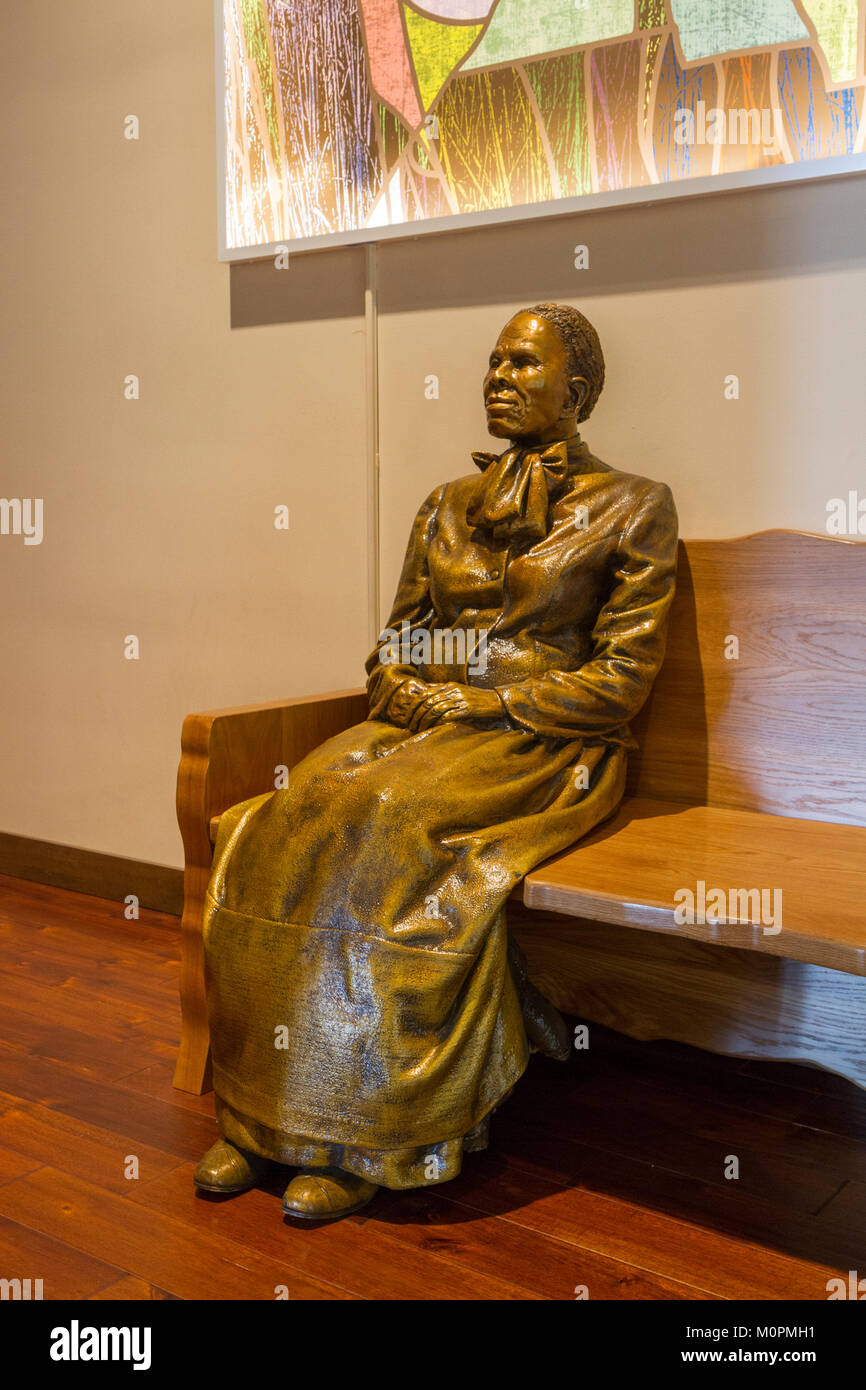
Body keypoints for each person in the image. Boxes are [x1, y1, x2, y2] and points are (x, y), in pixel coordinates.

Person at [193, 302, 678, 1221]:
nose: (500, 377)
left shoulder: (633, 506)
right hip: (426, 728)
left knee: (390, 824)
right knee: (286, 811)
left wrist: (488, 701)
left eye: (524, 366)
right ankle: (263, 1117)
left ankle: (369, 1135)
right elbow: (401, 638)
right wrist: (402, 684)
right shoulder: (446, 505)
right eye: (493, 363)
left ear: (577, 392)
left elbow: (621, 681)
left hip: (547, 743)